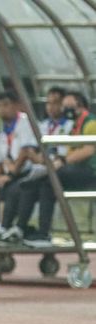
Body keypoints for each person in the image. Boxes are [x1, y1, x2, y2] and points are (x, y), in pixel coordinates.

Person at [29, 91, 96, 244]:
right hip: (76, 170)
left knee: (51, 179)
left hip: (90, 171)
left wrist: (63, 161)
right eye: (64, 107)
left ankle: (43, 232)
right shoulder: (75, 125)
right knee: (46, 183)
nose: (66, 111)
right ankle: (37, 230)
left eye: (69, 107)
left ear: (80, 106)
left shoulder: (90, 123)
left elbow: (88, 150)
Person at [20, 87, 73, 247]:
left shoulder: (70, 126)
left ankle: (44, 232)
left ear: (63, 105)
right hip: (40, 169)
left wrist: (40, 158)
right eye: (48, 103)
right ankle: (18, 228)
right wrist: (39, 159)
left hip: (60, 170)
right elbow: (30, 151)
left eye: (55, 103)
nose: (50, 107)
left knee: (46, 185)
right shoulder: (43, 126)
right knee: (24, 186)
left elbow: (60, 155)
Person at [0, 90, 39, 242]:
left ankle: (15, 227)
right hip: (10, 173)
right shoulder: (2, 130)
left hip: (28, 171)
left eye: (6, 105)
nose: (2, 109)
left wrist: (9, 175)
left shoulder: (26, 123)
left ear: (17, 106)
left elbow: (25, 152)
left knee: (15, 187)